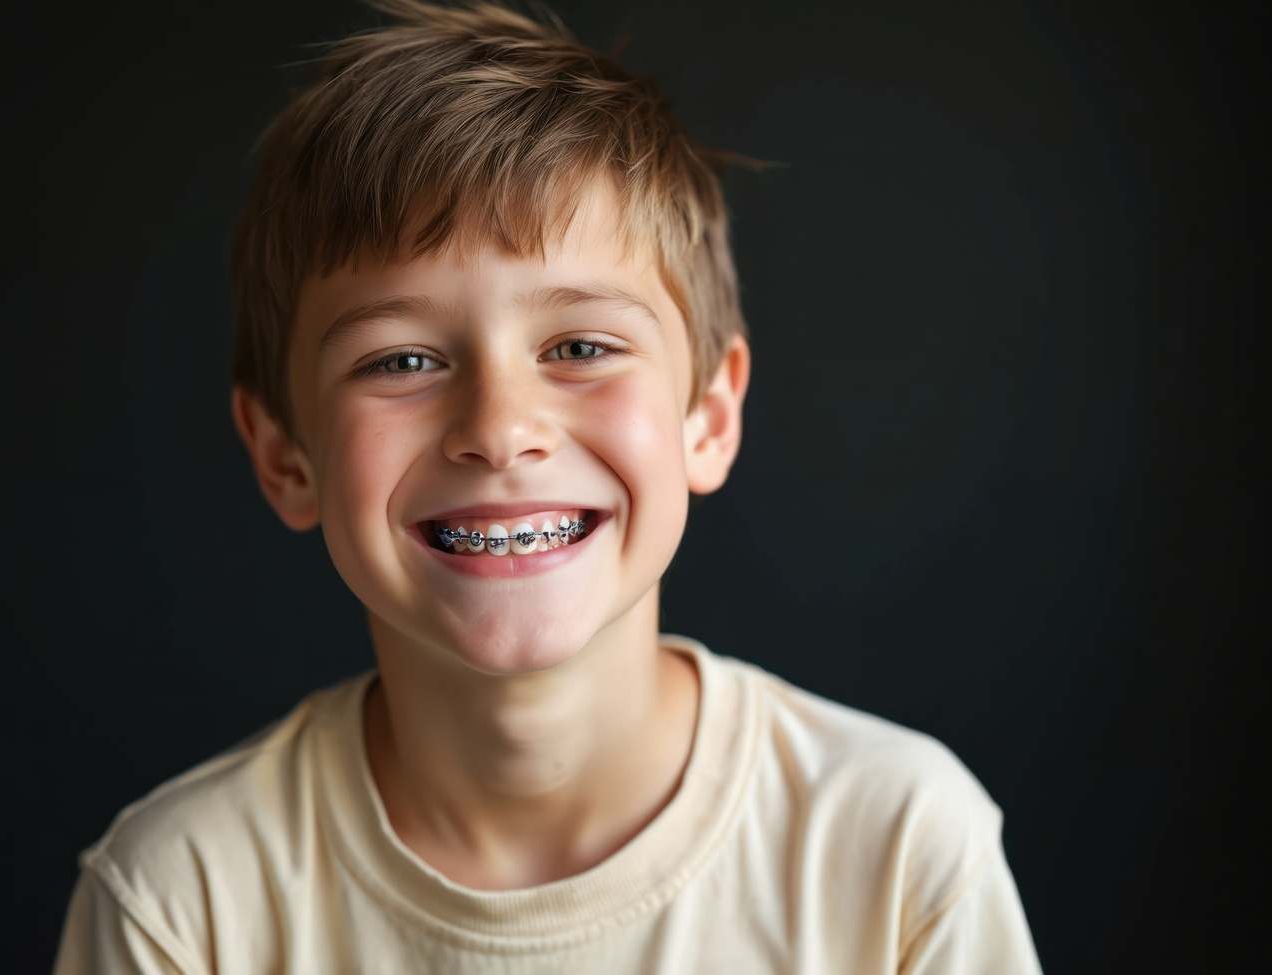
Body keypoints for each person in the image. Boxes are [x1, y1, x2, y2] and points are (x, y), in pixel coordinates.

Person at [54, 1, 1042, 971]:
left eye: (579, 346)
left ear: (708, 417)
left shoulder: (897, 851)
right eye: (401, 360)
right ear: (285, 457)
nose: (499, 428)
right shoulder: (180, 907)